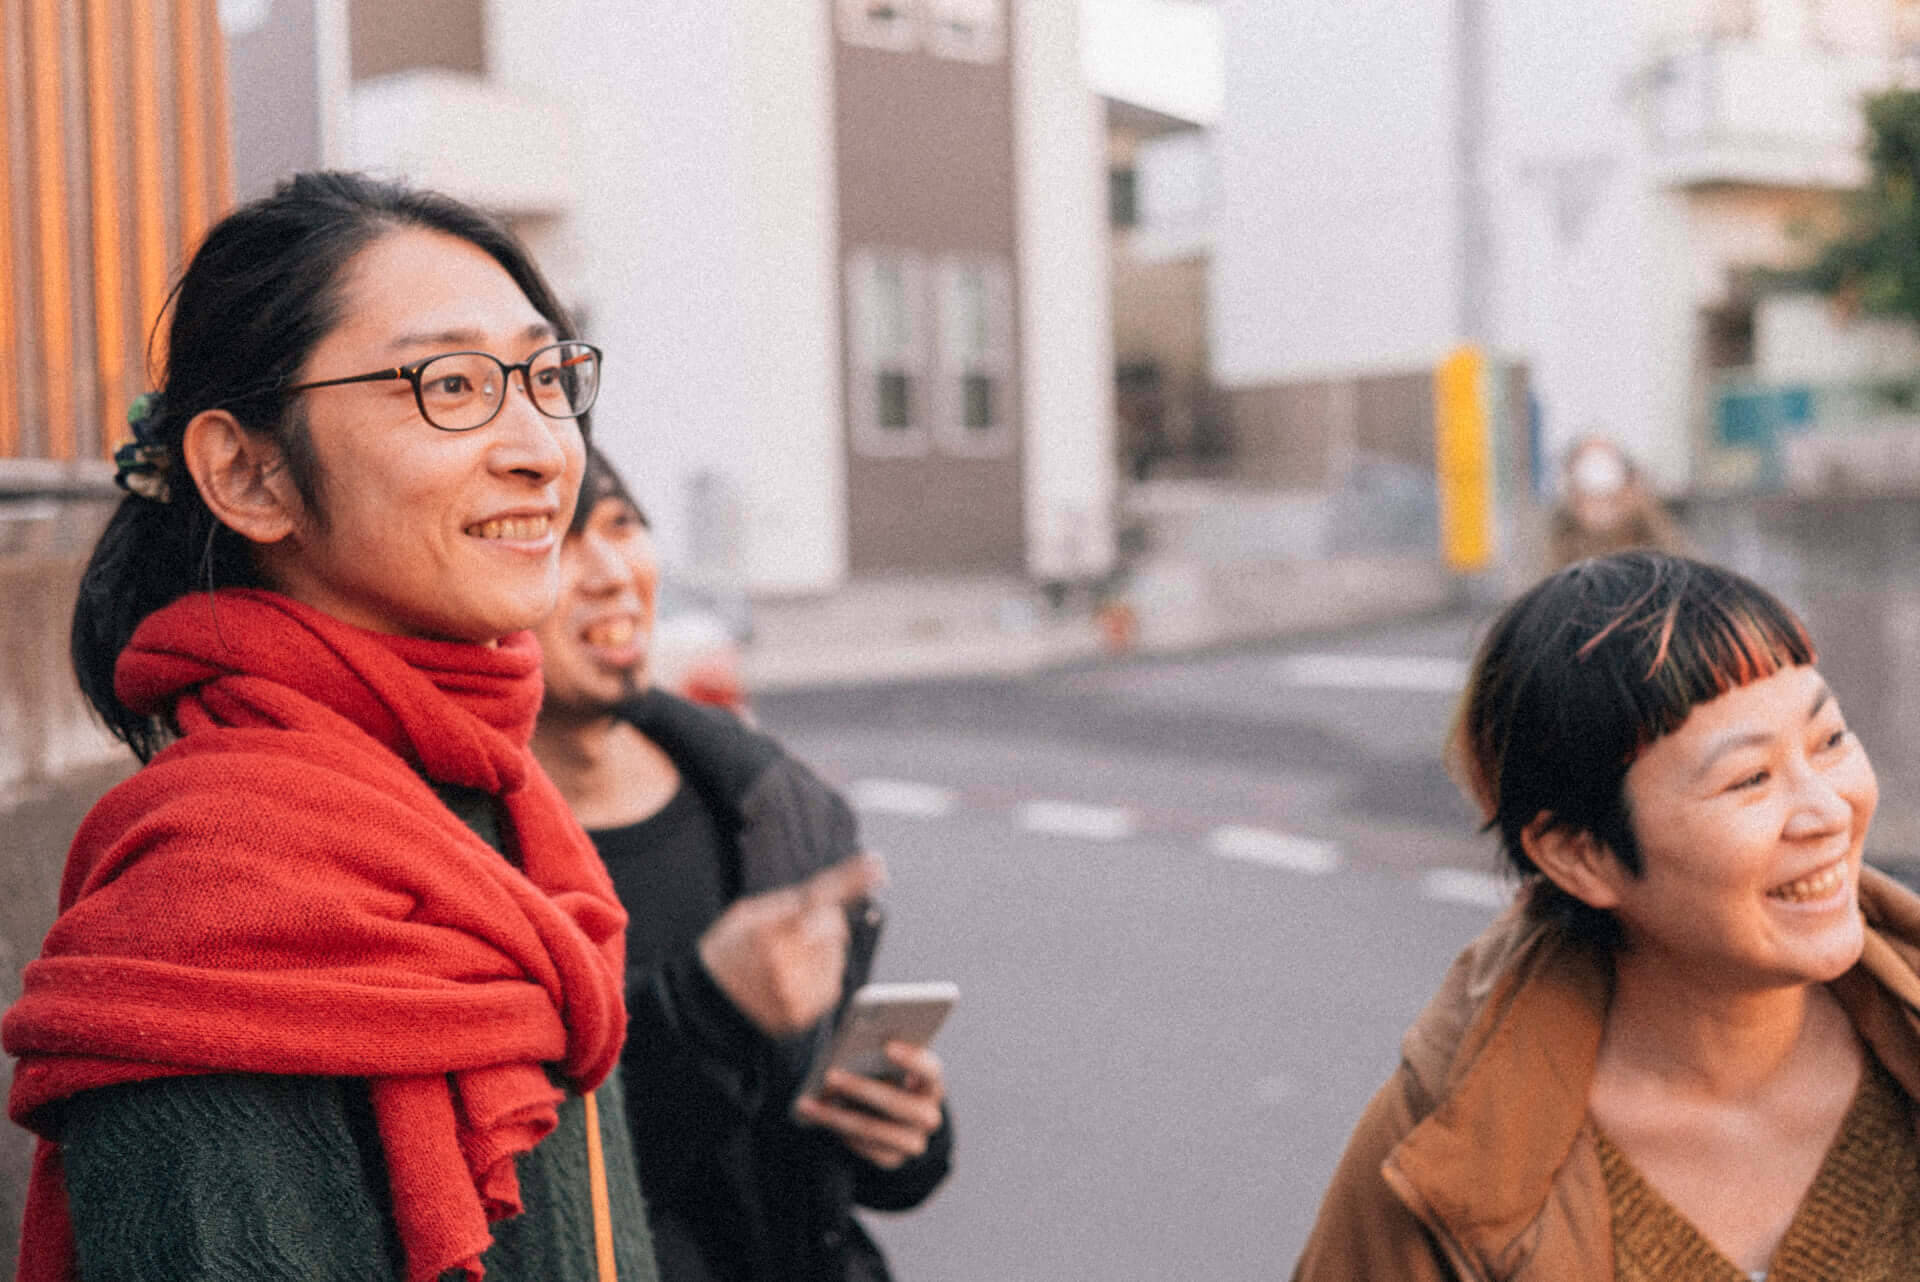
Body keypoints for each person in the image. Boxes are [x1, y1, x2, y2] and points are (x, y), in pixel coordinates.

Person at [3, 172, 657, 1282]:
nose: (546, 451)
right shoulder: (212, 904)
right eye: (451, 385)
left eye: (547, 378)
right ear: (249, 474)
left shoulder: (503, 801)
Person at [1294, 551, 1920, 1281]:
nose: (1828, 810)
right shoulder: (1444, 1157)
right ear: (1579, 855)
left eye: (1830, 740)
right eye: (1750, 778)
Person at [530, 447, 952, 1282]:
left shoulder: (768, 804)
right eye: (560, 539)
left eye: (622, 525)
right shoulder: (463, 853)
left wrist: (905, 1139)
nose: (612, 572)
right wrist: (702, 1012)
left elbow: (808, 1153)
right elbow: (521, 1190)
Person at [1546, 435, 1689, 569]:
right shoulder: (1556, 561)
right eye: (1588, 474)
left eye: (1607, 470)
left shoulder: (1668, 563)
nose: (1600, 496)